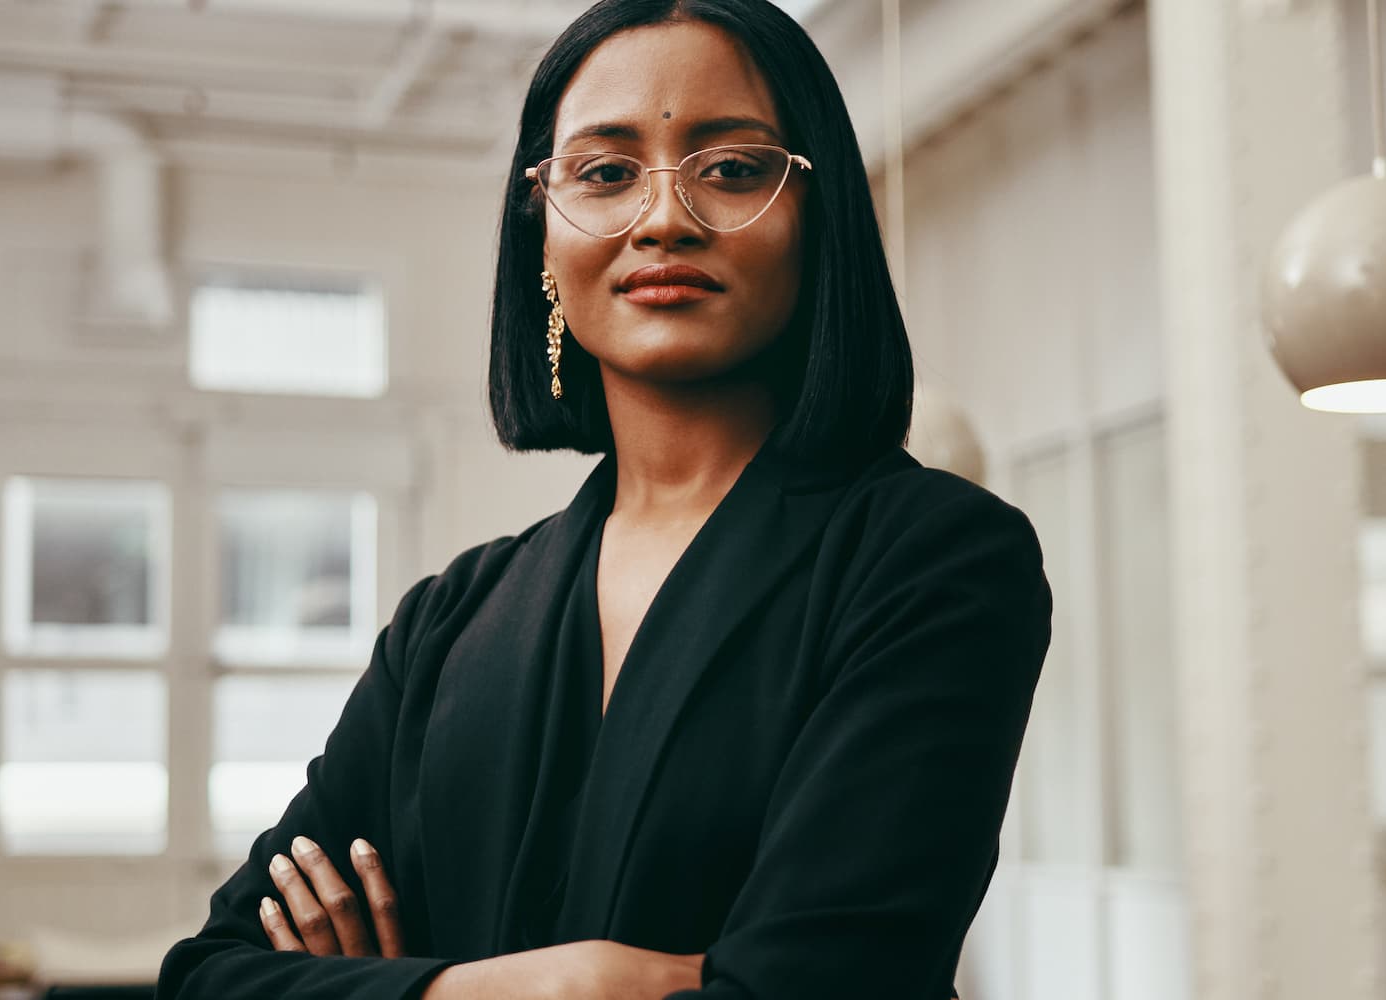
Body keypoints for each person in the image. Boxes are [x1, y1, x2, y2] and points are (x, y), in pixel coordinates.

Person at [156, 1, 1051, 997]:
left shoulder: (934, 560)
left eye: (732, 168)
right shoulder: (447, 622)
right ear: (542, 235)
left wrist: (401, 982)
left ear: (817, 215)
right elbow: (209, 977)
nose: (663, 218)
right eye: (605, 172)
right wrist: (551, 984)